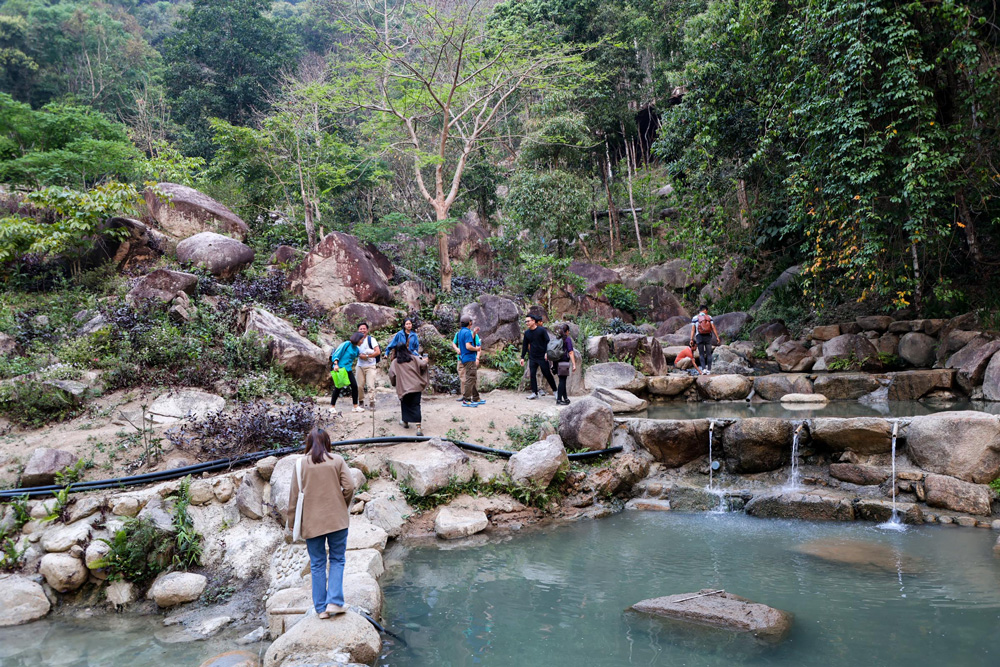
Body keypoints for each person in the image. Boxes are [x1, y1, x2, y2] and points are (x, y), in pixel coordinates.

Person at [286, 428, 355, 619]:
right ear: (327, 442)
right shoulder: (337, 460)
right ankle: (334, 602)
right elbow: (350, 486)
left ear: (308, 443)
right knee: (337, 559)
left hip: (311, 522)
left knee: (317, 563)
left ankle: (321, 609)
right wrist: (343, 503)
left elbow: (293, 496)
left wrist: (292, 521)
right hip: (337, 520)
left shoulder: (300, 464)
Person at [389, 342, 430, 436]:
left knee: (405, 405)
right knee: (416, 405)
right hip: (416, 386)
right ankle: (419, 428)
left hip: (404, 388)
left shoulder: (395, 362)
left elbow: (391, 374)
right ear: (406, 349)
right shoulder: (414, 358)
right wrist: (426, 360)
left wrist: (394, 383)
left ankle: (405, 422)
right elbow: (423, 365)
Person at [520, 314, 556, 399]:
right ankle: (534, 392)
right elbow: (525, 345)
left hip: (542, 356)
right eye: (526, 322)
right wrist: (522, 357)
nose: (527, 323)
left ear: (533, 321)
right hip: (532, 356)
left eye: (528, 321)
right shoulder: (527, 333)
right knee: (532, 374)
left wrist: (547, 352)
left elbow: (548, 341)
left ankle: (555, 391)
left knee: (547, 374)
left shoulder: (541, 330)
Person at [331, 331, 364, 413]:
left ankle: (355, 406)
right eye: (361, 340)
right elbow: (337, 353)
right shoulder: (346, 344)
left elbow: (359, 356)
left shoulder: (357, 349)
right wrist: (336, 364)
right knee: (338, 387)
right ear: (357, 339)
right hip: (340, 368)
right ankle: (332, 407)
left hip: (348, 369)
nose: (362, 341)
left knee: (354, 386)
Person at [456, 316, 483, 407]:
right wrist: (476, 349)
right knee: (470, 378)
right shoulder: (467, 332)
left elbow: (466, 340)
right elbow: (468, 346)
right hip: (469, 358)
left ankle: (476, 397)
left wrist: (474, 333)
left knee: (472, 378)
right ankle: (467, 399)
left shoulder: (460, 332)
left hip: (463, 358)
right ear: (470, 323)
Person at [548, 323, 577, 405]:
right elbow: (570, 352)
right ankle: (559, 399)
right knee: (562, 381)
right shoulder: (567, 340)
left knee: (562, 380)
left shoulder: (557, 339)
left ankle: (566, 398)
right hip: (563, 362)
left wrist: (553, 364)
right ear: (567, 331)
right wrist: (574, 364)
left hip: (556, 362)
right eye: (568, 331)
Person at [451, 325, 481, 401]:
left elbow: (478, 347)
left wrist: (477, 358)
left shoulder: (473, 334)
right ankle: (467, 395)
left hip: (470, 358)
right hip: (460, 358)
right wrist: (457, 349)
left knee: (471, 378)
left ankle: (471, 396)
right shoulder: (458, 334)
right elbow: (454, 343)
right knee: (464, 377)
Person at [355, 323, 381, 412]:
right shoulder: (356, 340)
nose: (362, 330)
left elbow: (377, 352)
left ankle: (372, 402)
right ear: (358, 330)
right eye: (360, 329)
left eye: (364, 329)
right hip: (360, 365)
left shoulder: (371, 340)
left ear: (367, 330)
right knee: (359, 386)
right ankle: (361, 401)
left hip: (370, 366)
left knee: (370, 385)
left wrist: (366, 357)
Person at [690, 305, 721, 375]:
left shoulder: (695, 318)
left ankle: (703, 369)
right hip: (708, 336)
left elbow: (693, 329)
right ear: (705, 310)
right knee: (708, 354)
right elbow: (713, 327)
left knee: (701, 354)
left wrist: (691, 339)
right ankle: (709, 370)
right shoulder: (709, 317)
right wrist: (717, 337)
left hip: (699, 336)